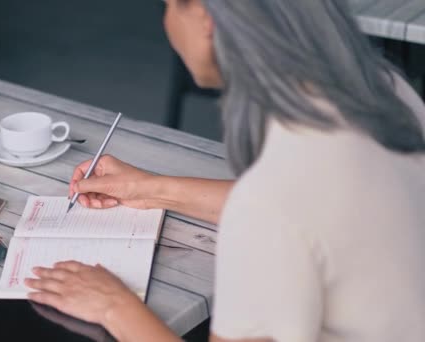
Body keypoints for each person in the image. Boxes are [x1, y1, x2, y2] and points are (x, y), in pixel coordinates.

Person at [24, 0, 425, 341]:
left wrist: (113, 306)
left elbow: (280, 209)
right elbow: (314, 213)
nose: (167, 21)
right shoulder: (386, 90)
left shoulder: (272, 199)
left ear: (204, 17)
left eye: (168, 5)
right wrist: (150, 189)